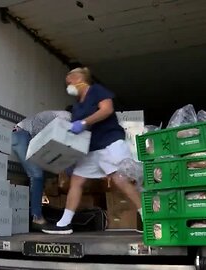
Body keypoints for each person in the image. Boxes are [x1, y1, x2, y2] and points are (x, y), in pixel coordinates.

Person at [42, 67, 142, 235]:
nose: (69, 86)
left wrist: (83, 123)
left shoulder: (96, 91)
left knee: (120, 180)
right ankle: (64, 224)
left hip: (109, 143)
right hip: (91, 149)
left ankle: (148, 218)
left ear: (80, 79)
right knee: (76, 181)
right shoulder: (77, 106)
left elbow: (106, 109)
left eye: (70, 81)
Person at [12, 109, 71, 231]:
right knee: (36, 175)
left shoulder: (62, 118)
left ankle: (31, 216)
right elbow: (44, 137)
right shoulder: (66, 117)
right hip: (21, 135)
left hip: (24, 135)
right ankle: (36, 218)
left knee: (39, 175)